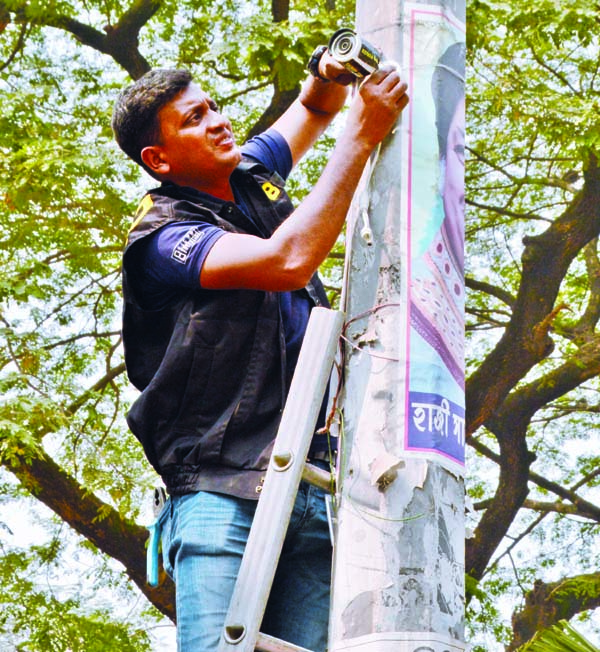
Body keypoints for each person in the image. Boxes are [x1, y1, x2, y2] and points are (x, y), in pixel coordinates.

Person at [111, 44, 408, 651]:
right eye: (193, 120)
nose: (218, 121)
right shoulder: (163, 239)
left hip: (316, 478)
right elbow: (287, 260)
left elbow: (311, 108)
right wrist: (361, 135)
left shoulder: (248, 173)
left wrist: (328, 76)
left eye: (212, 107)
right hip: (222, 490)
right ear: (158, 158)